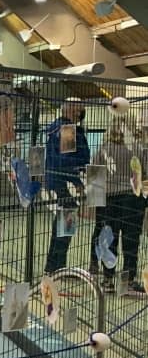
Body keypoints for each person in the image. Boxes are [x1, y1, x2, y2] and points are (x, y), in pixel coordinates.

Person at [89, 118, 146, 293]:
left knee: (109, 239)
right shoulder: (138, 149)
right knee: (131, 240)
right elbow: (145, 174)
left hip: (109, 199)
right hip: (132, 199)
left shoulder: (104, 149)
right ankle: (127, 281)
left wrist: (95, 204)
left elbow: (94, 176)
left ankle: (107, 279)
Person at [44, 98, 90, 273]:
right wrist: (78, 180)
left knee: (61, 225)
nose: (80, 114)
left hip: (58, 181)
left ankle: (54, 265)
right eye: (78, 110)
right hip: (65, 183)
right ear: (69, 110)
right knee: (65, 226)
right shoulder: (68, 131)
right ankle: (57, 266)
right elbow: (67, 161)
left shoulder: (55, 127)